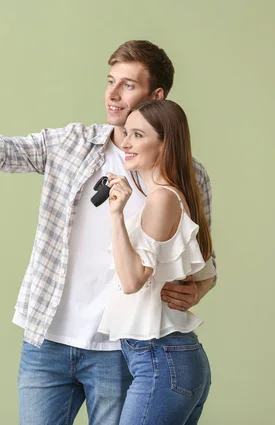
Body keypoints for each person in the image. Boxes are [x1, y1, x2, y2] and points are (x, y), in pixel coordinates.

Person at [0, 40, 217, 425]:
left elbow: (203, 260)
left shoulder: (187, 175)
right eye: (110, 81)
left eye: (128, 85)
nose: (112, 94)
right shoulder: (72, 143)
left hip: (120, 348)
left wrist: (199, 288)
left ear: (156, 96)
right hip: (47, 339)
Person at [98, 99, 215, 425]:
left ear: (165, 145)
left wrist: (116, 214)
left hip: (160, 361)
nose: (125, 143)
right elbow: (205, 269)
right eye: (126, 133)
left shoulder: (163, 198)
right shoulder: (168, 197)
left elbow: (133, 280)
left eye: (138, 135)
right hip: (166, 360)